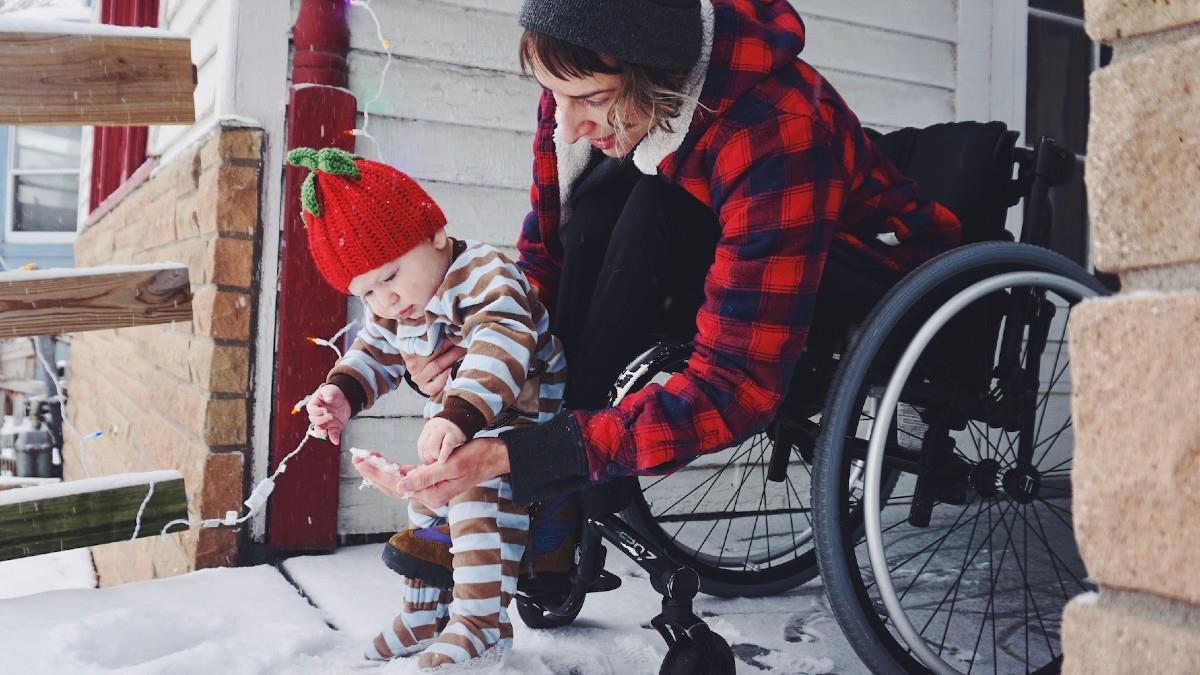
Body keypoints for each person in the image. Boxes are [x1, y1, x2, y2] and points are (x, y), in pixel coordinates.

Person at [361, 0, 961, 525]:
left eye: (592, 99)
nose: (565, 126)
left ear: (659, 75)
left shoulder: (777, 129)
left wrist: (539, 455)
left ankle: (565, 496)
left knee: (654, 204)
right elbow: (547, 259)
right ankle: (557, 484)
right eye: (553, 95)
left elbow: (738, 387)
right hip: (722, 246)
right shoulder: (578, 94)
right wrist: (481, 348)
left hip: (859, 274)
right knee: (597, 207)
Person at [287, 146, 567, 668]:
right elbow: (375, 351)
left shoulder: (484, 274)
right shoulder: (399, 307)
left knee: (475, 499)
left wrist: (458, 414)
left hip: (523, 421)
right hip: (461, 423)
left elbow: (501, 341)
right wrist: (342, 392)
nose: (386, 301)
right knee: (425, 502)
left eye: (391, 277)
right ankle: (424, 615)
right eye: (367, 293)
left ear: (434, 234)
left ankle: (481, 624)